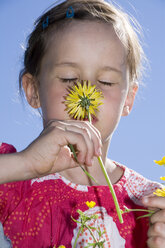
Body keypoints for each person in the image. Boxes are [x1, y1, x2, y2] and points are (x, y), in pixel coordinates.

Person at [0, 0, 164, 247]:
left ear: (128, 98)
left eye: (106, 81)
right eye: (69, 78)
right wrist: (25, 164)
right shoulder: (11, 177)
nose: (88, 92)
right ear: (32, 90)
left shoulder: (149, 204)